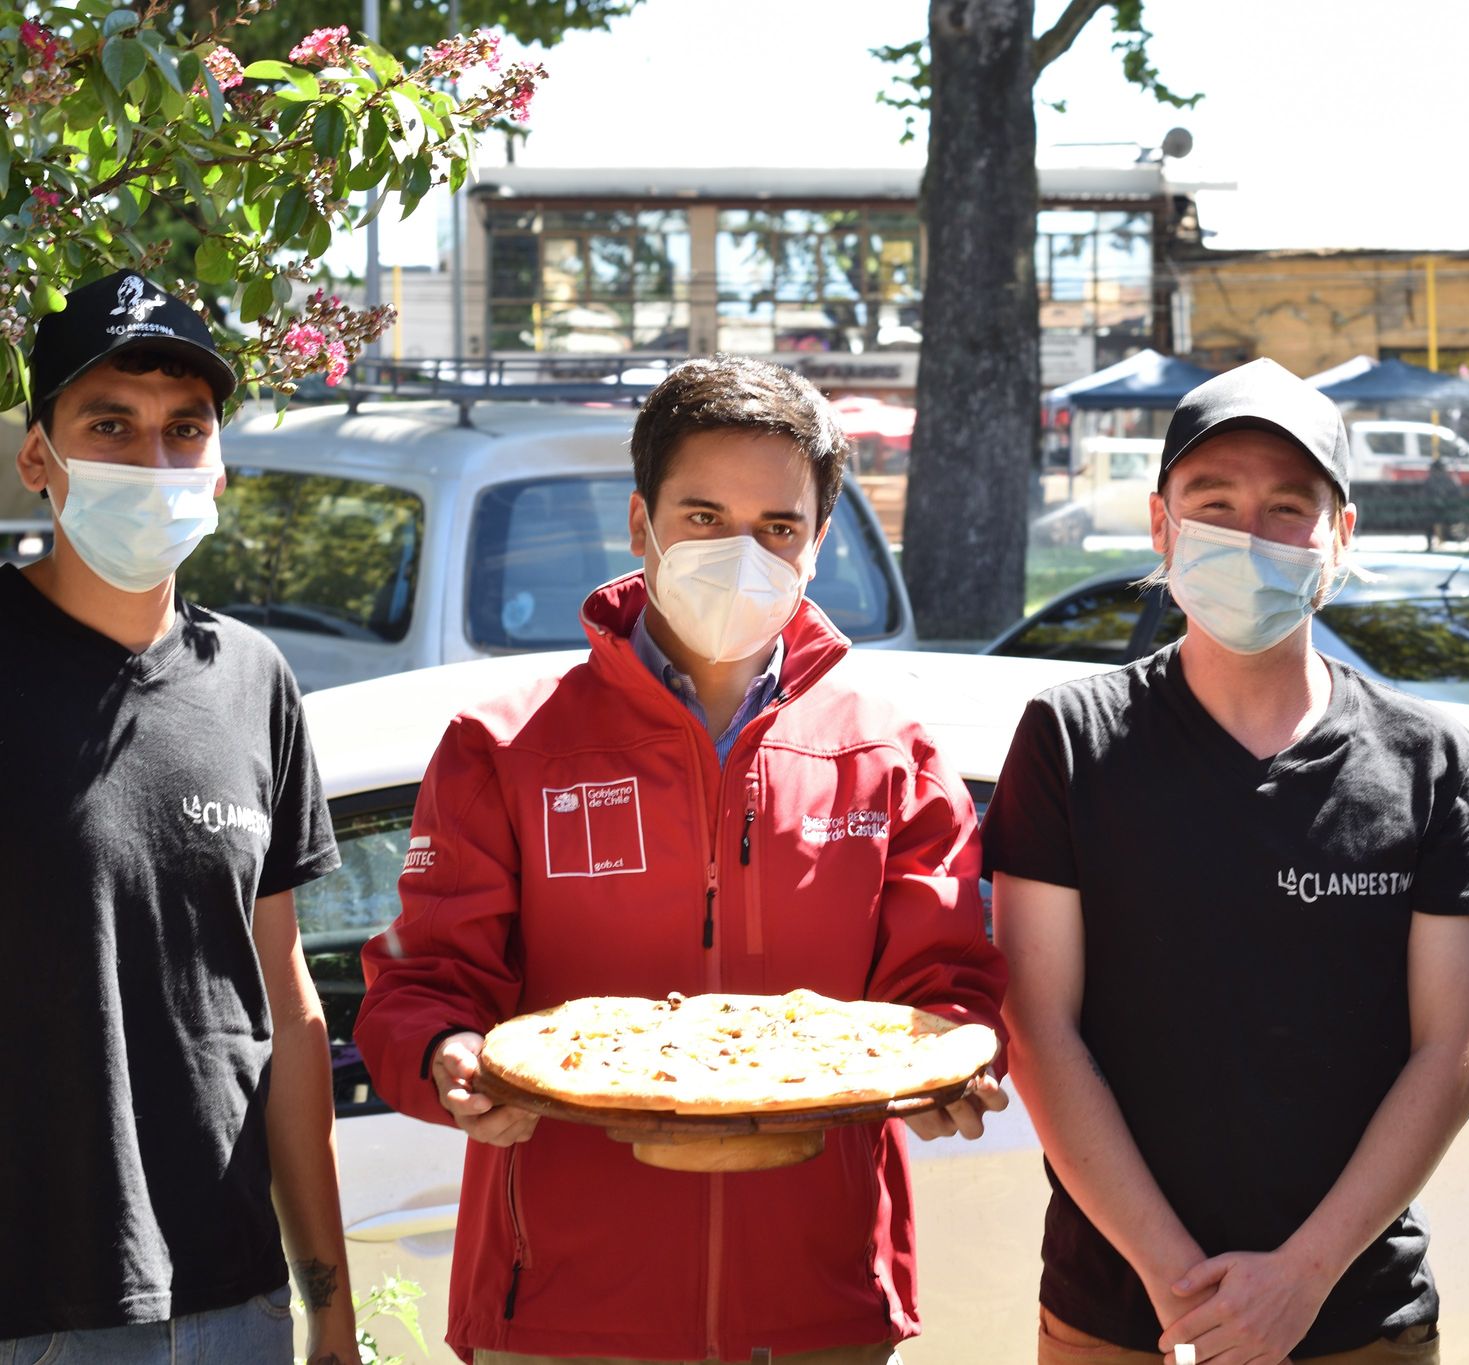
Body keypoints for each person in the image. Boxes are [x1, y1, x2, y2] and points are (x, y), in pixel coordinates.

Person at [353, 355, 1007, 1365]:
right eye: (702, 517)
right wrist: (443, 1055)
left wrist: (960, 1060)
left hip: (819, 1304)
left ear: (817, 545)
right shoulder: (506, 744)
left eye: (776, 528)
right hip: (562, 1305)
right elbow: (423, 980)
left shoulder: (891, 751)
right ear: (638, 525)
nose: (739, 551)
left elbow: (944, 986)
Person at [986, 358, 1469, 1365]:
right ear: (1160, 527)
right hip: (1117, 1314)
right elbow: (1036, 1026)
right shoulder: (1069, 740)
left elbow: (1451, 1049)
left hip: (1358, 1315)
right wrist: (1174, 1282)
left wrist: (1303, 1275)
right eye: (1213, 502)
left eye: (1286, 508)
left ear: (1339, 537)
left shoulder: (1427, 759)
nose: (1247, 533)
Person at [0, 271, 355, 1362]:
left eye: (183, 430)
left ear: (219, 465)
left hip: (237, 1299)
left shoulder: (252, 679)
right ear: (38, 459)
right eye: (111, 425)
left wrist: (328, 1313)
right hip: (37, 1312)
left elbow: (284, 1005)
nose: (152, 463)